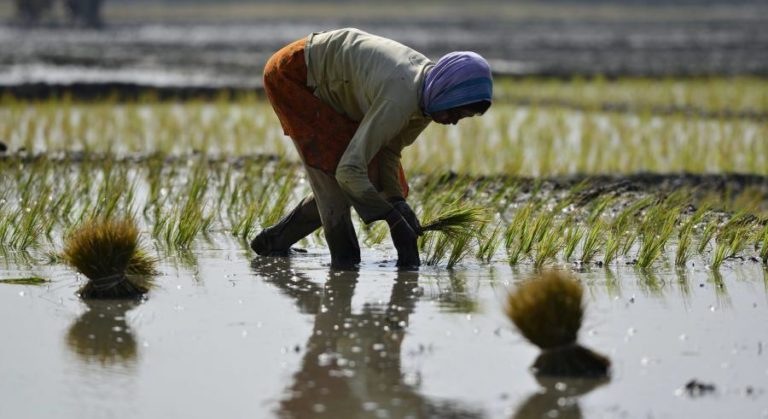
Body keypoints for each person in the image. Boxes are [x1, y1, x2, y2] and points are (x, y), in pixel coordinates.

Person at [251, 28, 492, 269]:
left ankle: (275, 241)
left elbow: (387, 151)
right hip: (294, 74)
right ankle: (343, 262)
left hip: (331, 86)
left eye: (462, 117)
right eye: (456, 112)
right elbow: (349, 170)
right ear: (446, 90)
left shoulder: (428, 98)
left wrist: (397, 202)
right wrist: (390, 217)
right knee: (335, 188)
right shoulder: (401, 97)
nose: (453, 121)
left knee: (369, 176)